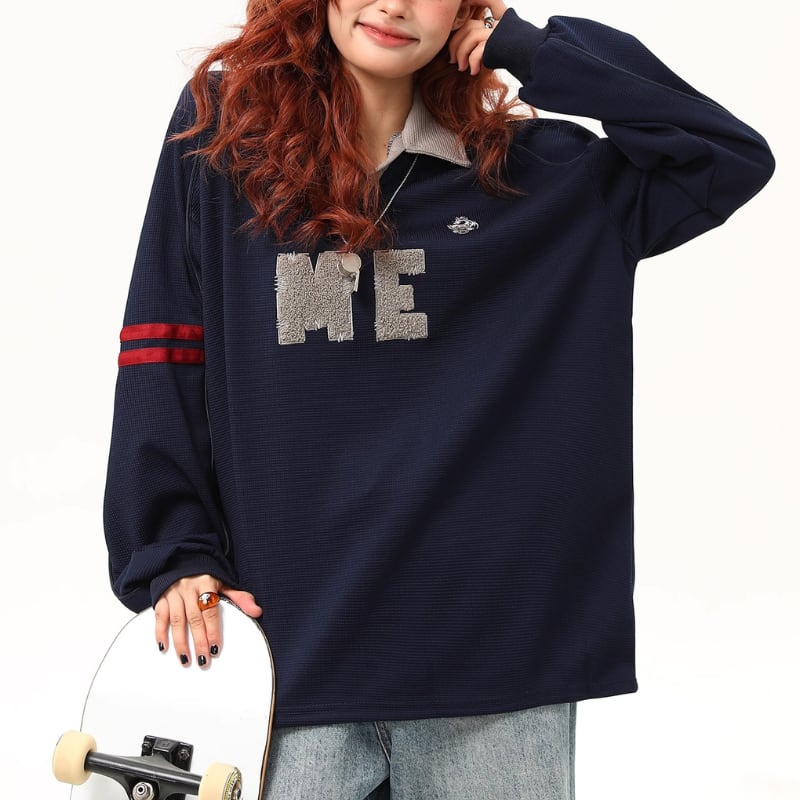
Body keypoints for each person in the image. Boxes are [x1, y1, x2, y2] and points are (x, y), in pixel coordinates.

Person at [102, 0, 774, 795]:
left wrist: (531, 49)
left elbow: (725, 155)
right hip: (283, 661)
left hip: (499, 677)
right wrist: (173, 549)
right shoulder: (224, 143)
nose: (394, 4)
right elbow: (164, 347)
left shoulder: (540, 179)